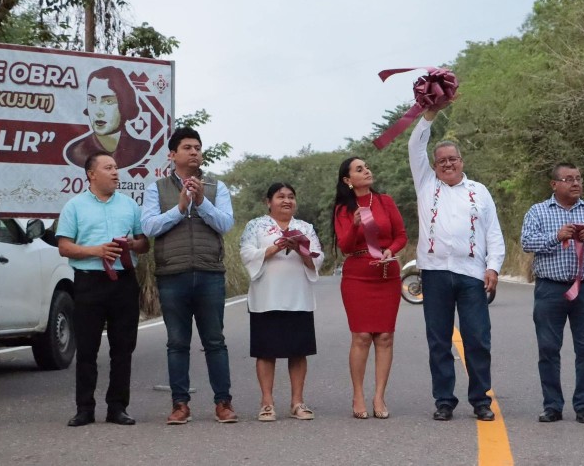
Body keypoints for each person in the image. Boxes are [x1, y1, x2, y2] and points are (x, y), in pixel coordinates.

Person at [407, 108, 505, 422]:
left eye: (453, 159)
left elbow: (493, 232)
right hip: (434, 273)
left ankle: (481, 400)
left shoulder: (479, 191)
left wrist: (493, 267)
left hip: (472, 274)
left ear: (462, 161)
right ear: (433, 165)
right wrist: (429, 114)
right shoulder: (426, 184)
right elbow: (415, 145)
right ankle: (444, 401)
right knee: (438, 340)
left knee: (478, 338)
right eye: (441, 161)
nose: (447, 164)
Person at [141, 126, 237, 424]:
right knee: (177, 343)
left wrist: (201, 202)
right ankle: (180, 404)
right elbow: (149, 227)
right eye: (187, 147)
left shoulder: (216, 187)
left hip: (209, 274)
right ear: (172, 155)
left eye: (197, 147)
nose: (194, 152)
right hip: (172, 274)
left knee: (215, 342)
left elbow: (226, 224)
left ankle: (223, 403)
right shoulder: (156, 188)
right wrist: (180, 207)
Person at [56, 151, 150, 427]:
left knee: (123, 348)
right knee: (87, 349)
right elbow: (64, 247)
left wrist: (133, 244)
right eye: (108, 168)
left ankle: (118, 408)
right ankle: (84, 408)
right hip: (89, 282)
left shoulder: (130, 205)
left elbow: (144, 243)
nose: (115, 172)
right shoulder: (74, 206)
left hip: (124, 281)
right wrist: (96, 250)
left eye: (116, 167)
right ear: (91, 174)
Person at [521, 162, 584, 424]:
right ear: (554, 184)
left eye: (579, 178)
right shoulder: (538, 211)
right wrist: (557, 236)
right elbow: (527, 242)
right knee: (548, 348)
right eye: (568, 179)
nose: (576, 183)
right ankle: (552, 406)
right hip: (549, 289)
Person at [239, 183, 324, 422]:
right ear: (268, 202)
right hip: (266, 297)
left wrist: (300, 249)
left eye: (291, 197)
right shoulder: (255, 225)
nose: (287, 201)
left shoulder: (304, 227)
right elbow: (246, 253)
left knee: (298, 352)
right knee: (266, 352)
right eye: (280, 197)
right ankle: (267, 402)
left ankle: (297, 402)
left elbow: (318, 257)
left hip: (299, 297)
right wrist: (275, 247)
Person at [332, 157, 408, 419]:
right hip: (357, 276)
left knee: (385, 336)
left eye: (366, 167)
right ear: (347, 180)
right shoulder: (343, 209)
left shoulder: (385, 201)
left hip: (387, 274)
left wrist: (390, 250)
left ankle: (379, 396)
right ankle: (358, 395)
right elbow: (345, 246)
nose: (367, 171)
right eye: (359, 169)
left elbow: (401, 236)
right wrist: (354, 225)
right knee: (362, 336)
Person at [64, 66, 151, 169]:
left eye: (108, 101)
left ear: (124, 103)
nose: (98, 112)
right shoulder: (76, 152)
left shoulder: (140, 149)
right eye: (92, 100)